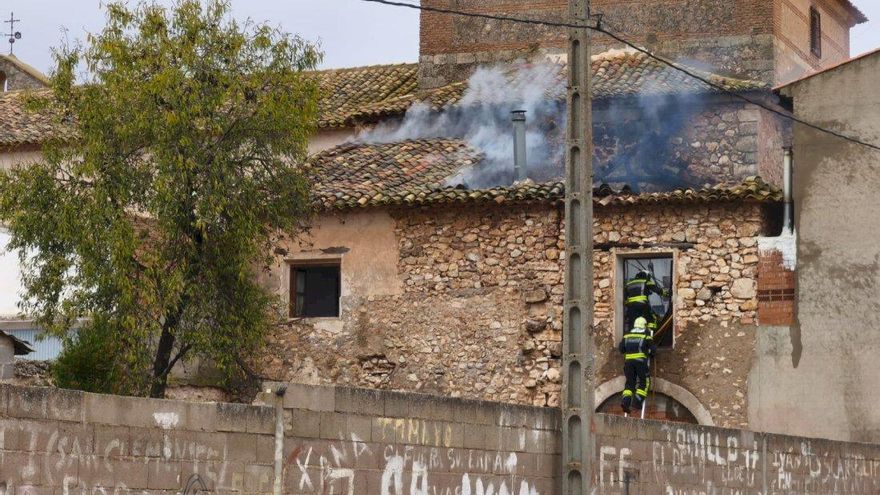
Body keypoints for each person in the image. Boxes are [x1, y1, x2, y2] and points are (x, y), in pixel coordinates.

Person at [618, 316, 656, 414]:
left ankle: (625, 402)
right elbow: (653, 351)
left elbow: (621, 350)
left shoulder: (626, 336)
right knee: (644, 382)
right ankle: (637, 403)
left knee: (630, 384)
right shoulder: (646, 336)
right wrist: (650, 353)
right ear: (644, 326)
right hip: (640, 363)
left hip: (628, 364)